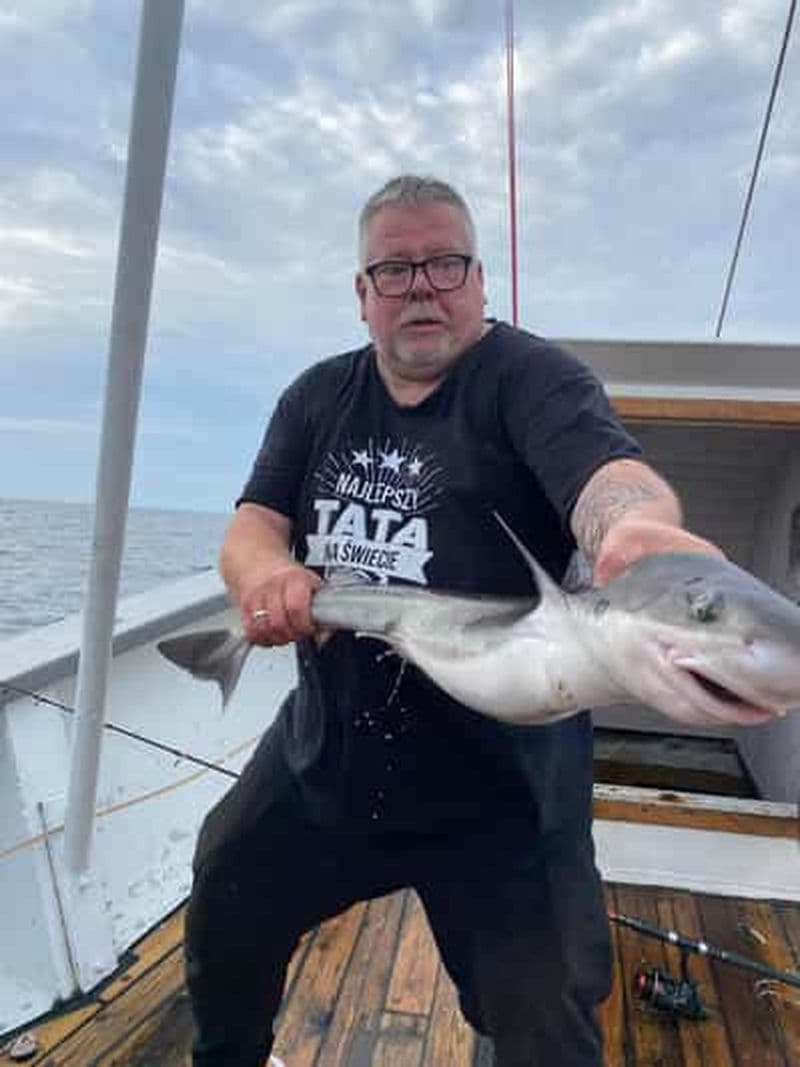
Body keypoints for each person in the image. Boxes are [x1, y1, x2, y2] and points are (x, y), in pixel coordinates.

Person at [184, 175, 726, 1067]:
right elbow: (255, 522)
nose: (423, 285)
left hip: (504, 800)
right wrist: (268, 574)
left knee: (549, 1022)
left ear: (479, 280)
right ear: (362, 295)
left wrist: (634, 531)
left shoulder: (534, 381)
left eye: (445, 263)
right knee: (223, 889)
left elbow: (607, 478)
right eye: (395, 270)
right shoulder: (316, 398)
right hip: (329, 763)